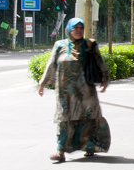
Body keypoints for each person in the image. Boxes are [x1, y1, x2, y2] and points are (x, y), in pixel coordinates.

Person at [38, 16, 111, 162]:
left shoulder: (89, 45)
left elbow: (100, 63)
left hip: (86, 92)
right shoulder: (60, 45)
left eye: (81, 28)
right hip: (65, 93)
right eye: (75, 28)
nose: (78, 30)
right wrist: (43, 83)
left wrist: (105, 79)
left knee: (88, 120)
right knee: (64, 120)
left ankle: (89, 147)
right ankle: (60, 151)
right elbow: (51, 64)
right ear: (69, 29)